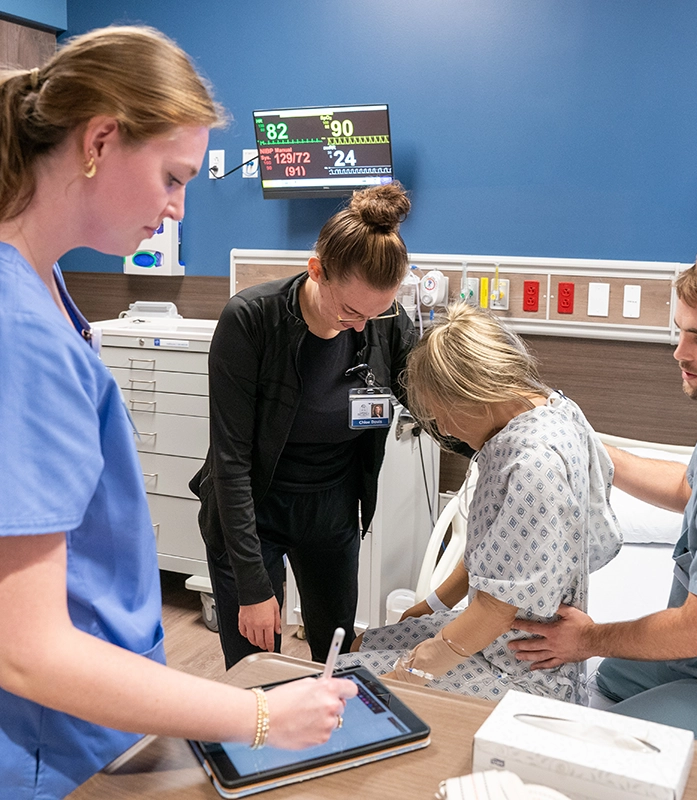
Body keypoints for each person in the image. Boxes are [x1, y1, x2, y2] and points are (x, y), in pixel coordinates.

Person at [0, 26, 355, 798]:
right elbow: (23, 648)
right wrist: (257, 718)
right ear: (99, 140)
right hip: (48, 748)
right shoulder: (17, 330)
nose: (177, 209)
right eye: (171, 177)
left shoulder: (43, 293)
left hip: (99, 719)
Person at [509, 237, 697, 748]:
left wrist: (586, 638)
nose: (679, 353)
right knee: (610, 679)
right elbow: (692, 488)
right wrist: (594, 451)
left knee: (598, 744)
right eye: (680, 332)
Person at [337, 303, 622, 702]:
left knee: (352, 683)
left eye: (440, 417)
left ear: (474, 396)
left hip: (522, 669)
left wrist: (412, 670)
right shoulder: (552, 407)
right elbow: (495, 550)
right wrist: (433, 604)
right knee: (361, 644)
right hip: (492, 636)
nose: (443, 431)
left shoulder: (531, 465)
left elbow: (497, 608)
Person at [189, 181, 418, 668]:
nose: (362, 326)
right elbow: (230, 461)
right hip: (253, 509)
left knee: (333, 653)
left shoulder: (383, 322)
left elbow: (428, 403)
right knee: (257, 666)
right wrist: (253, 586)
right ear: (317, 270)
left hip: (332, 509)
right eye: (351, 310)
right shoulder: (251, 320)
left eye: (378, 313)